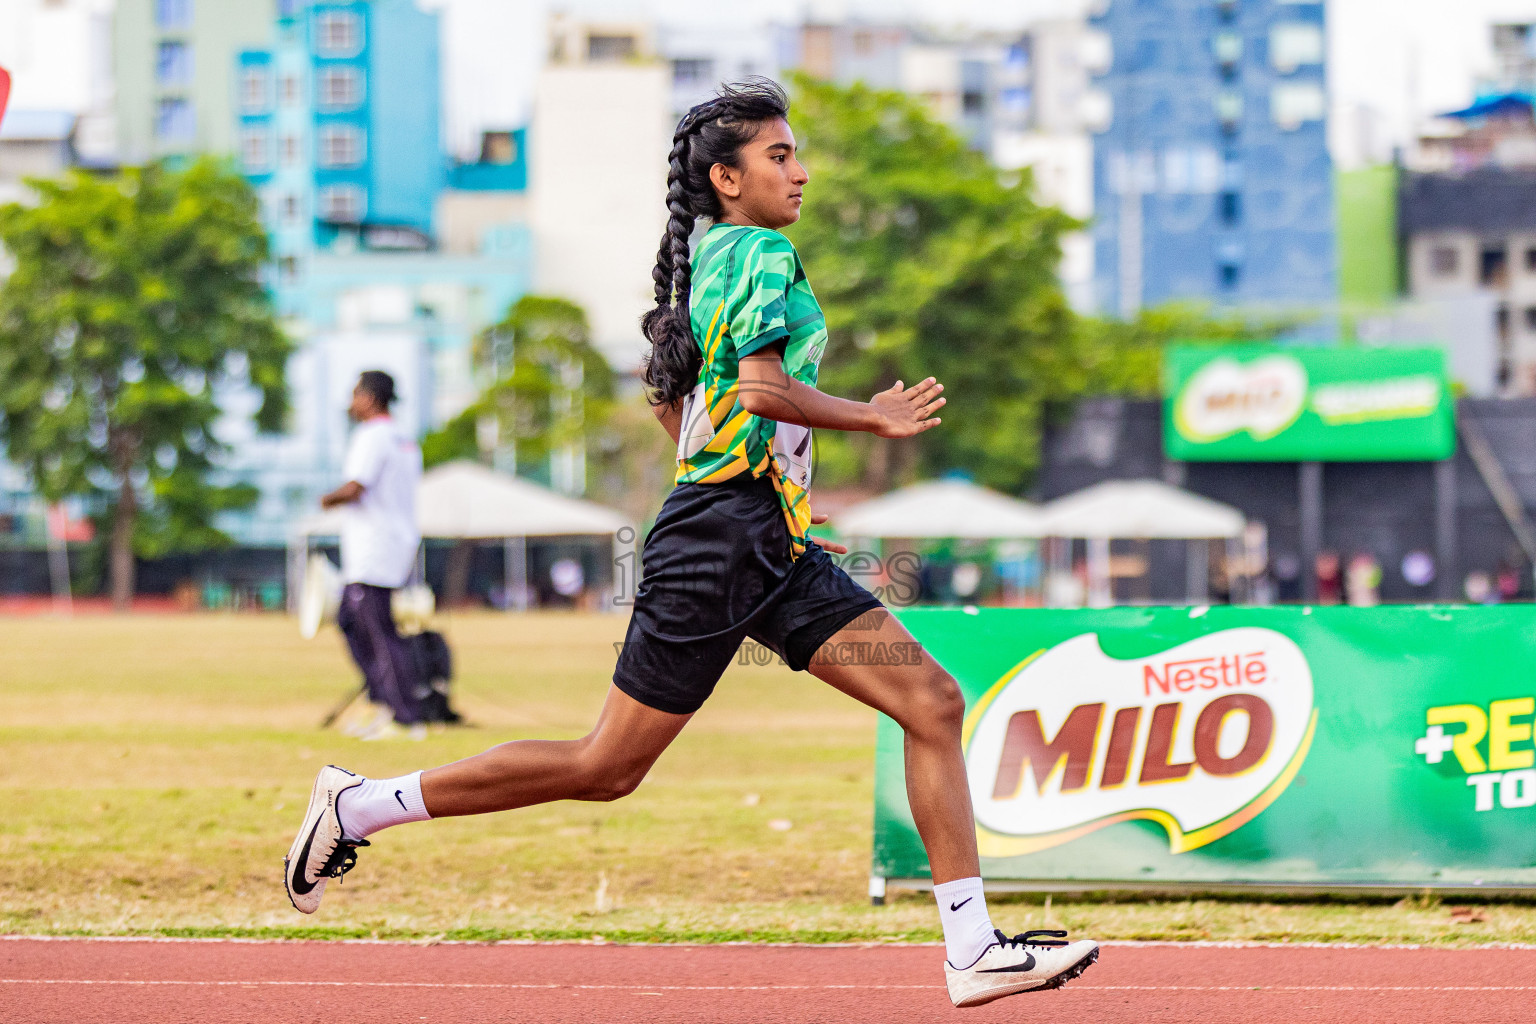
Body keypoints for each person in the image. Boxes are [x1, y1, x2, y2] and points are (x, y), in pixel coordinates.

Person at [285, 82, 1098, 1008]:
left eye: (795, 153)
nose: (800, 170)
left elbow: (691, 411)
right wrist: (870, 419)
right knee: (605, 767)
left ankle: (971, 949)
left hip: (761, 538)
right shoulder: (758, 249)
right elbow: (757, 390)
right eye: (779, 156)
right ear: (726, 176)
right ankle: (357, 807)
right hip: (717, 546)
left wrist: (777, 488)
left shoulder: (715, 255)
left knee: (930, 701)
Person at [322, 370, 426, 740]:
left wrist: (327, 499)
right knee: (350, 620)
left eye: (354, 395)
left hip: (374, 548)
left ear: (369, 397)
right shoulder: (404, 439)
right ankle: (382, 703)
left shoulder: (371, 435)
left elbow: (356, 487)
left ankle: (405, 717)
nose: (351, 403)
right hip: (392, 544)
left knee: (380, 633)